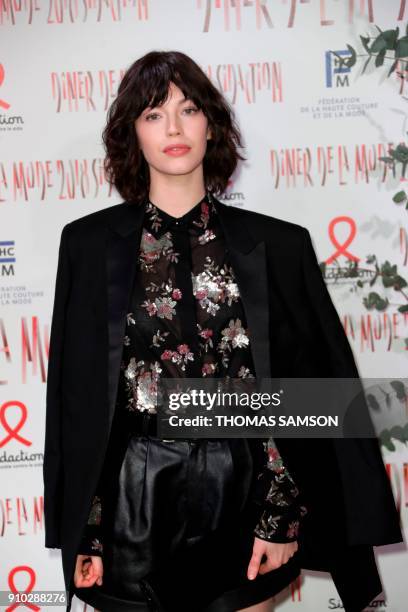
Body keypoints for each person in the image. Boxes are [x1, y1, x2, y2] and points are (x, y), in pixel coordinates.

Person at [43, 50, 403, 612]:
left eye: (188, 110)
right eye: (154, 114)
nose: (174, 128)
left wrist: (281, 514)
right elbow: (77, 400)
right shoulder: (87, 245)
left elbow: (313, 390)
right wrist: (84, 530)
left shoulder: (279, 245)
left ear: (211, 125)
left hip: (245, 492)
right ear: (131, 132)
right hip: (129, 497)